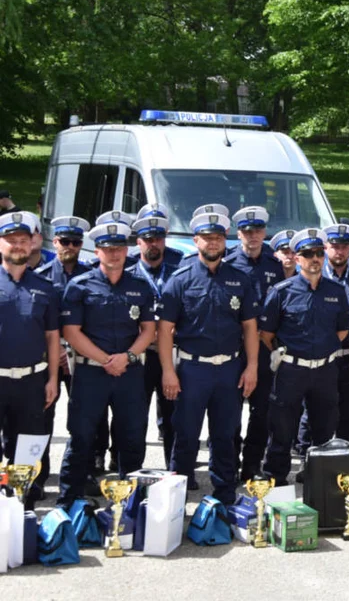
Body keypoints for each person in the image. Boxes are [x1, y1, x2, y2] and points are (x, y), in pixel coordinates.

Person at [158, 207, 259, 504]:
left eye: (217, 237)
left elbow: (250, 327)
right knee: (185, 435)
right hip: (192, 370)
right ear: (195, 240)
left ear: (225, 240)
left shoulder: (240, 279)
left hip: (229, 369)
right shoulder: (180, 279)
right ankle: (177, 503)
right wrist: (168, 371)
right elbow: (165, 331)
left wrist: (251, 366)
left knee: (225, 436)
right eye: (206, 237)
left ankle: (225, 498)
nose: (212, 243)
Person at [57, 219, 156, 508]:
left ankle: (131, 502)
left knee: (133, 436)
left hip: (130, 372)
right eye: (107, 249)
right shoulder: (80, 286)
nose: (114, 254)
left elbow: (149, 329)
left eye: (119, 249)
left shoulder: (140, 286)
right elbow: (70, 332)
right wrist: (105, 360)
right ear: (97, 251)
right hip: (91, 372)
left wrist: (127, 357)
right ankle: (69, 501)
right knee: (81, 436)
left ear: (126, 251)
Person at [258, 229, 349, 484]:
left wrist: (322, 350)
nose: (315, 259)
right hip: (291, 370)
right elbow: (266, 334)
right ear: (297, 258)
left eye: (319, 253)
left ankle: (316, 478)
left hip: (324, 370)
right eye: (308, 254)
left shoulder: (336, 291)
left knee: (324, 428)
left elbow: (342, 330)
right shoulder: (281, 291)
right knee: (282, 428)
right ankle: (275, 479)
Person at [0, 212, 61, 509]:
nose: (18, 246)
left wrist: (52, 379)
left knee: (29, 447)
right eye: (11, 241)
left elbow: (52, 337)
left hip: (33, 380)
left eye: (23, 241)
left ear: (32, 243)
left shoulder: (45, 287)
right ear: (1, 244)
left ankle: (22, 510)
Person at [27, 216, 91, 502]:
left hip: (81, 357)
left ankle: (82, 472)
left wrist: (73, 349)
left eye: (76, 242)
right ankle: (38, 477)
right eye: (65, 242)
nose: (70, 247)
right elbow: (35, 322)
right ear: (55, 242)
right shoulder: (40, 277)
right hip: (50, 357)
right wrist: (58, 352)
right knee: (43, 418)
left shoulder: (91, 275)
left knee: (85, 419)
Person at [226, 206, 285, 482]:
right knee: (229, 412)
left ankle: (252, 465)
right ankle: (229, 461)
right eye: (247, 232)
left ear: (264, 233)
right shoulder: (227, 264)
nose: (253, 236)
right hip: (233, 347)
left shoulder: (274, 266)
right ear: (239, 234)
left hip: (263, 348)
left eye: (258, 231)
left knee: (262, 413)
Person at [126, 215, 178, 466]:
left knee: (173, 416)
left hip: (170, 352)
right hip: (140, 355)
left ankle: (176, 470)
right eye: (148, 240)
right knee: (134, 416)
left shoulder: (178, 272)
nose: (153, 244)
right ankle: (132, 470)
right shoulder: (128, 274)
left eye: (158, 239)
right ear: (139, 243)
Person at [320, 221, 349, 447]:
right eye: (335, 246)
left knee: (348, 411)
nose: (339, 251)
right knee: (317, 412)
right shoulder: (315, 275)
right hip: (321, 356)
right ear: (326, 247)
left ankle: (345, 463)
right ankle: (310, 461)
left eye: (345, 246)